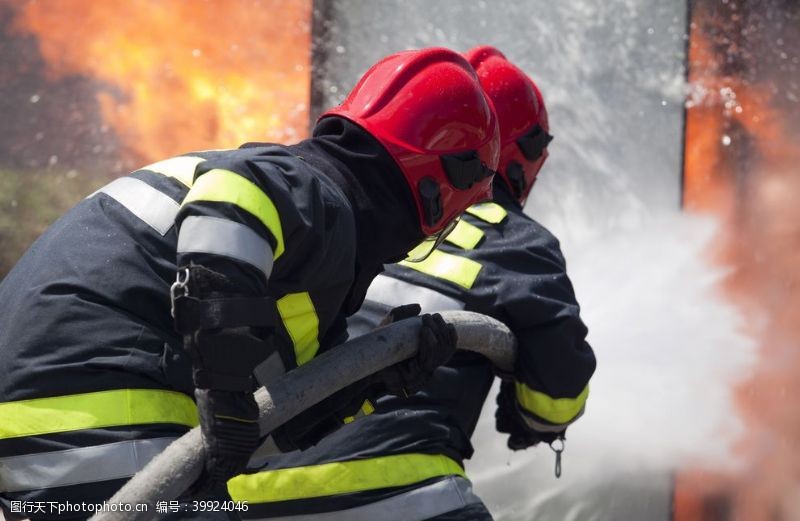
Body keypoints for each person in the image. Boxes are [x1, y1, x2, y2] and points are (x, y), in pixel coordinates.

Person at [0, 47, 501, 520]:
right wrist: (224, 392)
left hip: (43, 437)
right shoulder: (310, 191)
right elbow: (234, 194)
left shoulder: (292, 259)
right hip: (98, 421)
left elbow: (254, 434)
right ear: (438, 189)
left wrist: (372, 384)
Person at [231, 46, 597, 521]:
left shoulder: (340, 214)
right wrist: (529, 411)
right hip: (396, 491)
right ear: (516, 154)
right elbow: (556, 399)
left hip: (237, 493)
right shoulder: (516, 243)